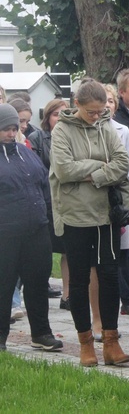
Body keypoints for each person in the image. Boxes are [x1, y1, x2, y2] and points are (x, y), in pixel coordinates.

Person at [49, 79, 129, 367]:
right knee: (80, 280)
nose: (97, 117)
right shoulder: (62, 129)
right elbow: (64, 169)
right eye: (91, 112)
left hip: (105, 214)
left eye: (101, 111)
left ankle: (111, 341)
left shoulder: (106, 126)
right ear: (78, 105)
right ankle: (86, 342)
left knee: (109, 277)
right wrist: (101, 167)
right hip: (75, 216)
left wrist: (93, 175)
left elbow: (122, 163)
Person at [0, 103, 63, 352]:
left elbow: (43, 185)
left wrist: (47, 218)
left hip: (37, 230)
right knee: (3, 285)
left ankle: (41, 333)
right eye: (5, 128)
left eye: (14, 128)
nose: (10, 133)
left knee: (37, 283)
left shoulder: (26, 152)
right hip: (6, 233)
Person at [103, 84, 129, 328]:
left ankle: (128, 298)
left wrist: (110, 176)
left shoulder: (122, 130)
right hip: (93, 202)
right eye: (102, 100)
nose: (106, 105)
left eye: (110, 101)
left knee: (124, 251)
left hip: (120, 198)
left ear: (116, 107)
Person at [28, 99, 70, 310]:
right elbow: (35, 170)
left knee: (66, 250)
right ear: (48, 117)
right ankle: (38, 288)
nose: (60, 118)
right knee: (42, 250)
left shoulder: (72, 137)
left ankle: (67, 295)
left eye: (64, 114)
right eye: (55, 114)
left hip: (66, 201)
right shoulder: (37, 138)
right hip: (44, 200)